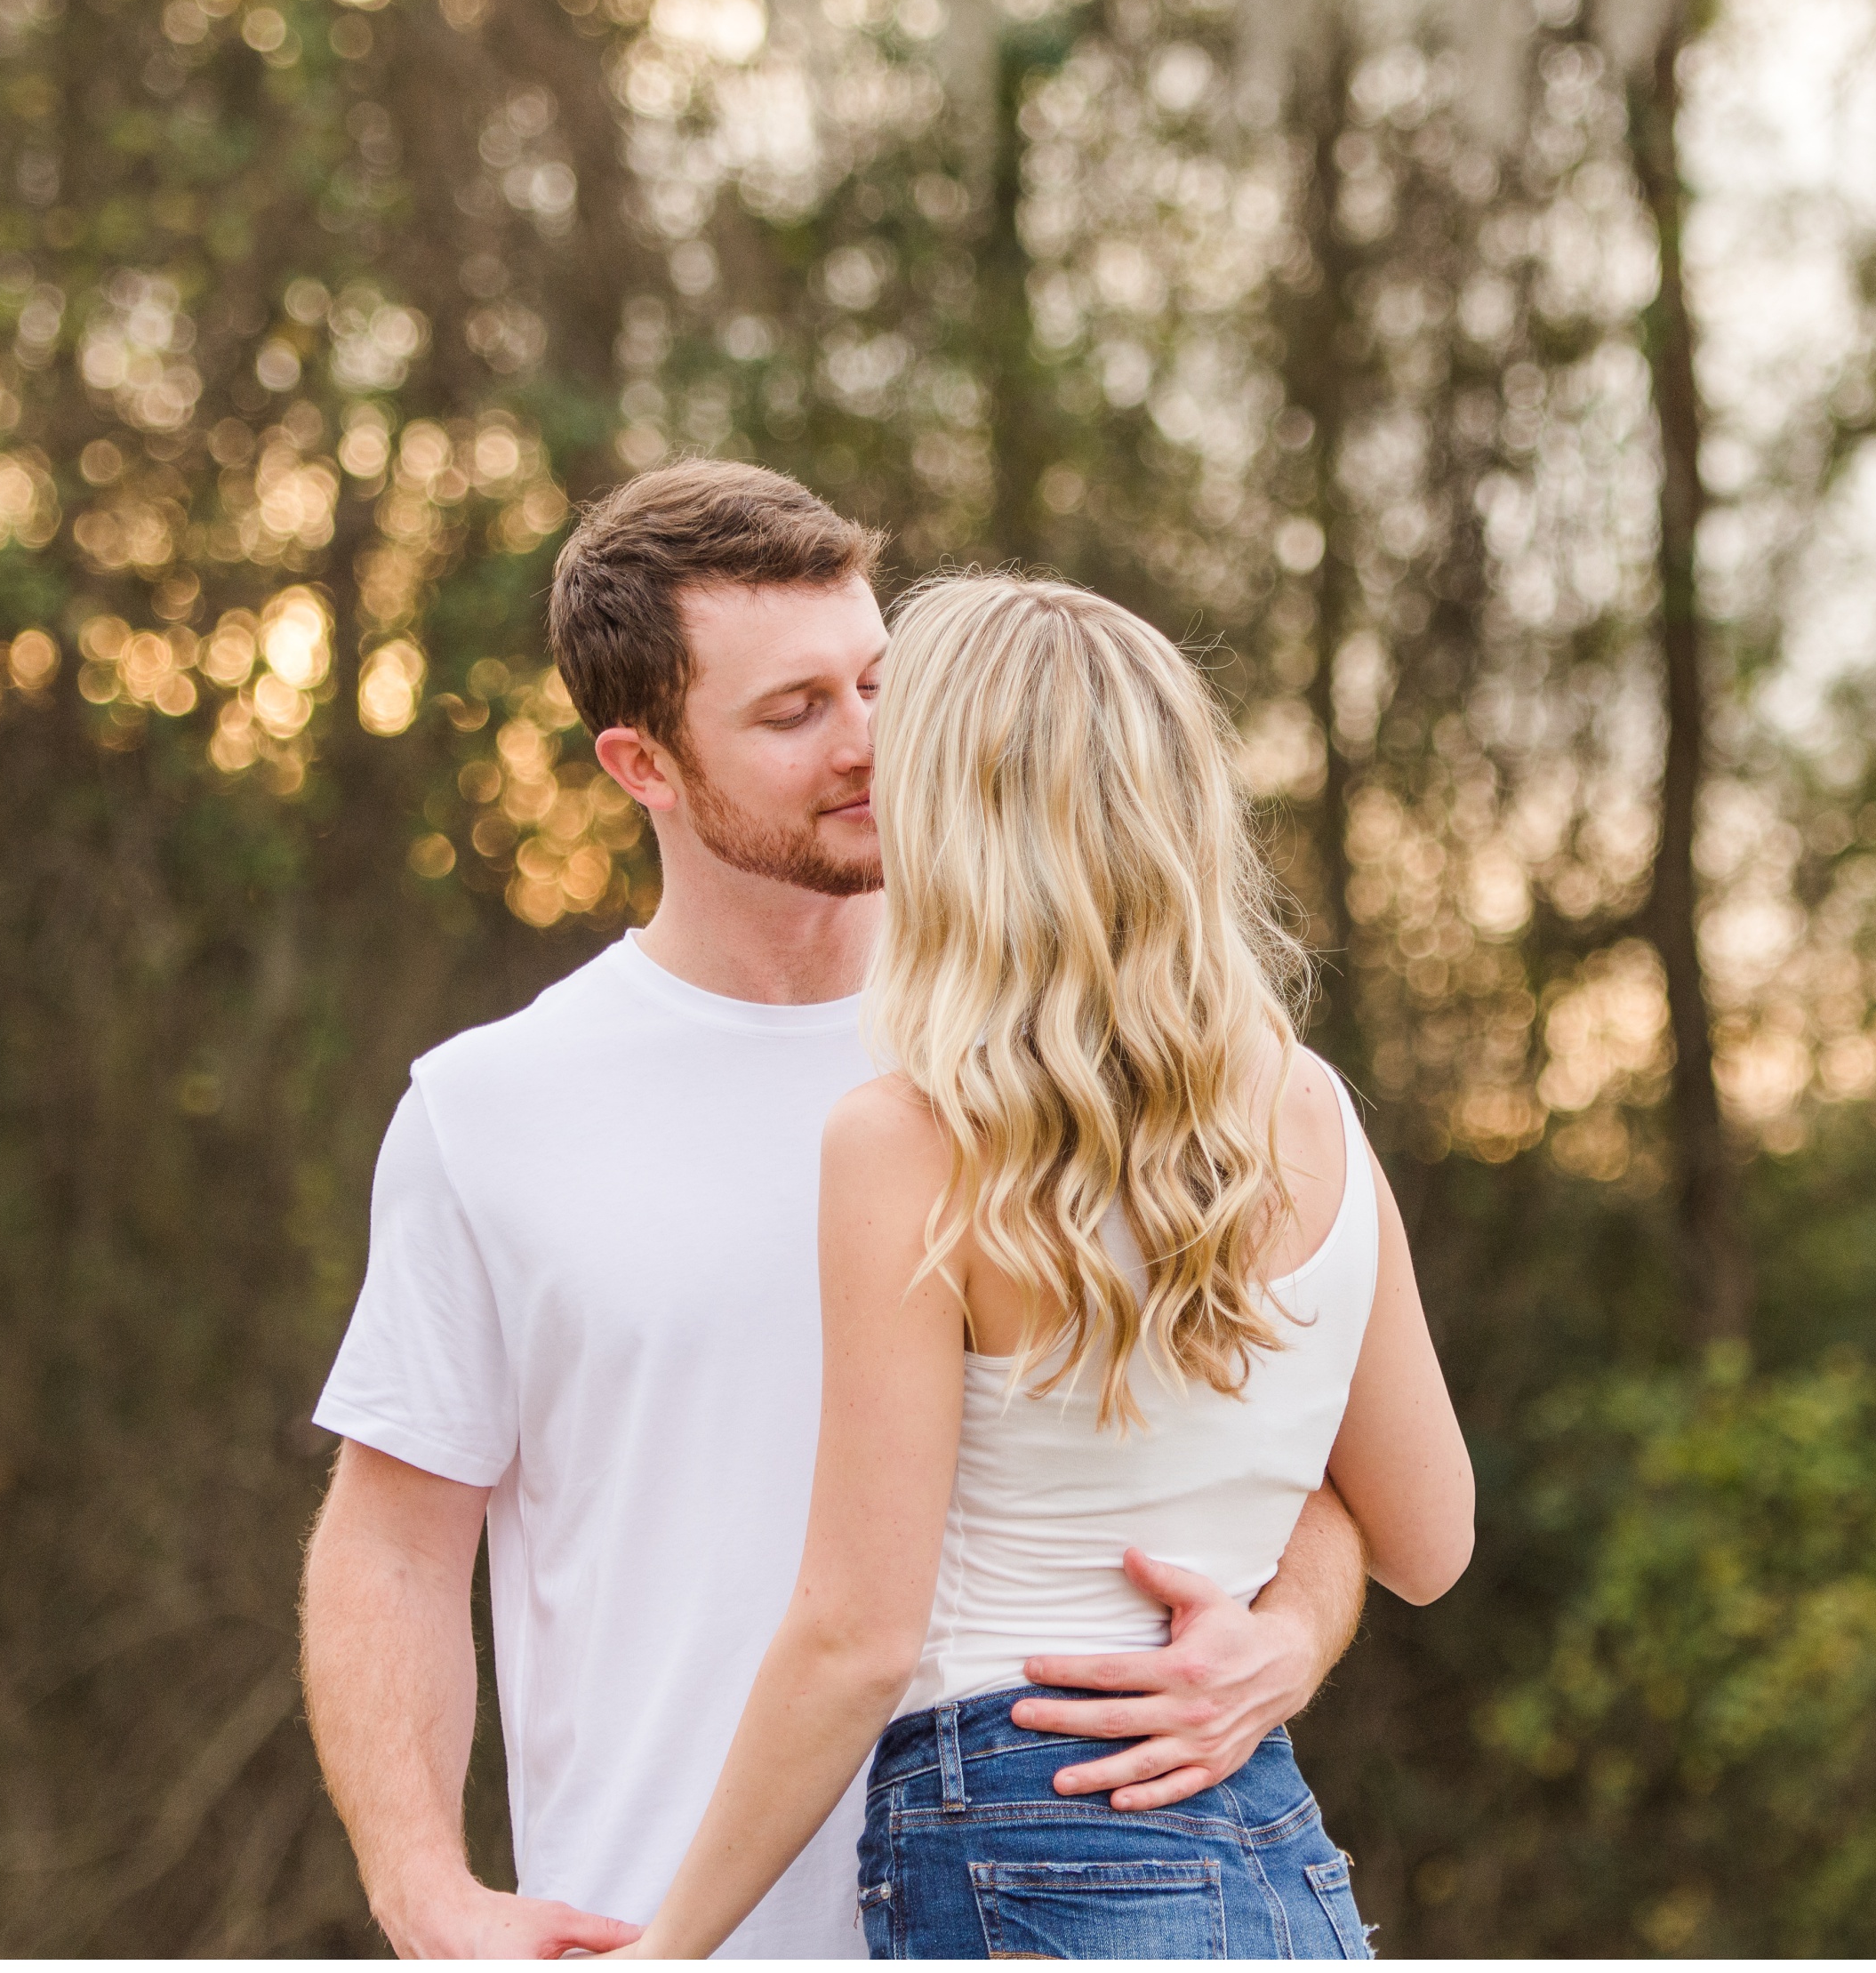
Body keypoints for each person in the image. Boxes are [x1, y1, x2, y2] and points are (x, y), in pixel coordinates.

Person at [298, 463, 1373, 1959]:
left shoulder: (1073, 1056)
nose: (872, 743)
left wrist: (1288, 1639)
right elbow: (395, 1547)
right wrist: (424, 1892)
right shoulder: (492, 1111)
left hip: (1061, 1911)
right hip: (661, 1934)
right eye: (794, 711)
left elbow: (1300, 1456)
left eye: (880, 680)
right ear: (642, 765)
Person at [611, 570, 1475, 1961]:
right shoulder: (1307, 1108)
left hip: (1024, 1833)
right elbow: (1432, 1538)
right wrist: (1286, 1639)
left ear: (950, 809)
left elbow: (856, 1637)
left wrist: (669, 1947)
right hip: (1272, 1852)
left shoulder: (909, 1138)